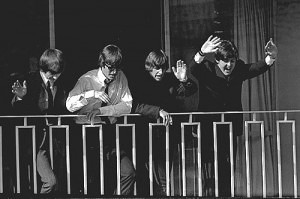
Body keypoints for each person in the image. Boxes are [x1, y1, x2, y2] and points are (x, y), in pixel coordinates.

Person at [190, 35, 278, 196]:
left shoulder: (239, 68)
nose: (229, 65)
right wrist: (202, 52)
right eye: (226, 61)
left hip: (229, 128)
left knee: (227, 167)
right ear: (217, 60)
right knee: (208, 169)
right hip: (208, 128)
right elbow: (193, 68)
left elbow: (257, 67)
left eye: (232, 61)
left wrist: (271, 56)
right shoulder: (208, 68)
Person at [66, 44, 135, 195]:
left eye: (117, 68)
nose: (114, 72)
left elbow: (127, 105)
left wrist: (101, 111)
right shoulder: (86, 79)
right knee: (94, 180)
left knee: (128, 173)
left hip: (109, 132)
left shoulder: (120, 76)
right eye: (111, 68)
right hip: (87, 134)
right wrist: (91, 94)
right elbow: (69, 105)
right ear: (102, 64)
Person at [130, 50, 197, 195]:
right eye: (156, 68)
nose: (159, 71)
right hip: (145, 136)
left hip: (167, 136)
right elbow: (135, 105)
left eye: (162, 68)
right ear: (149, 66)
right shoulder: (140, 81)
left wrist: (184, 80)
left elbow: (191, 90)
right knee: (148, 179)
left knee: (163, 180)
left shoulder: (170, 79)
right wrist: (158, 110)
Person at [11, 48, 69, 193]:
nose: (56, 77)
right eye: (53, 73)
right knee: (50, 182)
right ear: (44, 68)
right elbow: (17, 110)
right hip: (37, 143)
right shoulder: (29, 80)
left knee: (58, 184)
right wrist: (20, 97)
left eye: (59, 73)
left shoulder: (61, 83)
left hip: (56, 141)